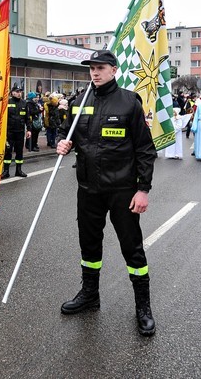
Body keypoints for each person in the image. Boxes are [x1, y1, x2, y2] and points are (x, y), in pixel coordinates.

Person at [55, 50, 157, 337]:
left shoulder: (128, 102)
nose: (95, 73)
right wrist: (64, 144)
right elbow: (68, 135)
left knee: (131, 247)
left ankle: (143, 306)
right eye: (91, 68)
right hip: (88, 188)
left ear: (113, 70)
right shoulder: (79, 101)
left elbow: (145, 150)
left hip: (122, 189)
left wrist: (143, 189)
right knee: (89, 244)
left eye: (100, 68)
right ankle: (90, 294)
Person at [1, 84, 30, 179]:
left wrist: (29, 129)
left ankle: (19, 170)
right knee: (8, 151)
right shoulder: (7, 102)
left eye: (20, 92)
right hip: (9, 132)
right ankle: (6, 171)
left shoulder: (24, 103)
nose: (19, 93)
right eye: (17, 92)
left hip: (20, 132)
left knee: (19, 151)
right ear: (12, 93)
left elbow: (27, 118)